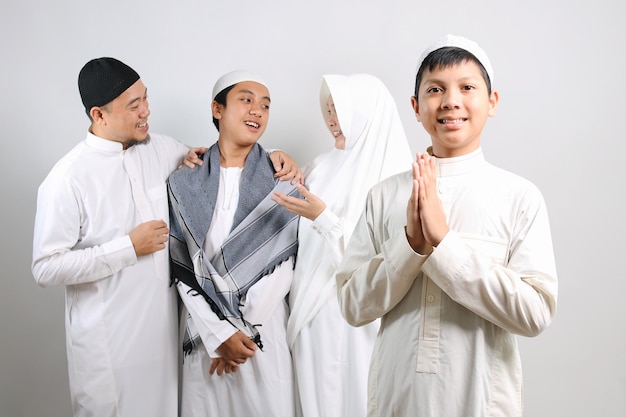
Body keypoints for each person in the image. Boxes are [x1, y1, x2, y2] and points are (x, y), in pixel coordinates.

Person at [31, 58, 301, 417]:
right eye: (133, 105)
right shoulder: (68, 179)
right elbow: (45, 268)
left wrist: (278, 158)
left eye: (146, 98)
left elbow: (224, 157)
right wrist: (127, 247)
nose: (147, 111)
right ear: (99, 115)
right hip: (108, 346)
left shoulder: (162, 149)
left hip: (165, 344)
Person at [335, 34, 558, 417]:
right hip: (397, 398)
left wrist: (444, 242)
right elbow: (353, 306)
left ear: (492, 102)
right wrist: (411, 245)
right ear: (416, 107)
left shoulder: (519, 196)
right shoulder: (384, 195)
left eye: (467, 87)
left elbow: (535, 313)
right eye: (435, 89)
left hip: (482, 402)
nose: (451, 101)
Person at [272, 73, 413, 417]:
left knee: (362, 399)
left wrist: (323, 217)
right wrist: (274, 155)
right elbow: (278, 189)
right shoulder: (320, 168)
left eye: (341, 110)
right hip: (311, 315)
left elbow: (391, 258)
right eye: (329, 109)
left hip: (362, 319)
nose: (332, 120)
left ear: (365, 113)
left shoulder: (398, 178)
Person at [168, 70, 300, 417]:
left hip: (260, 332)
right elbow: (183, 268)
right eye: (246, 100)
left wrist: (239, 332)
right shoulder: (183, 181)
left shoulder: (282, 179)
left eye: (266, 105)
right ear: (217, 109)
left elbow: (284, 263)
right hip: (204, 334)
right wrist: (218, 335)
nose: (257, 110)